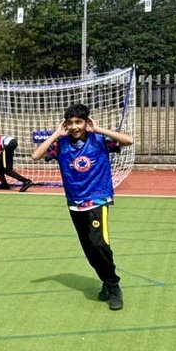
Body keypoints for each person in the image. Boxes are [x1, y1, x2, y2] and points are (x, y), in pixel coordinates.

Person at [31, 103, 135, 311]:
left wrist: (98, 129)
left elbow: (128, 141)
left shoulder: (99, 140)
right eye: (70, 123)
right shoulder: (61, 145)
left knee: (99, 244)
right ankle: (106, 280)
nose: (74, 127)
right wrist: (56, 134)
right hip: (75, 202)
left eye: (78, 122)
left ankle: (113, 286)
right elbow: (36, 155)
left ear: (86, 122)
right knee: (89, 249)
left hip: (98, 199)